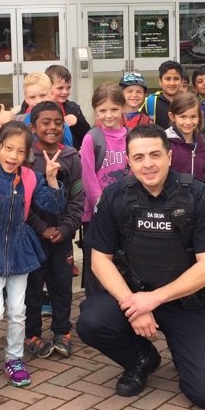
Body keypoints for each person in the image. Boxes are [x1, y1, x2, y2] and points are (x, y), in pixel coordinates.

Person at [76, 124, 205, 409]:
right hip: (135, 295)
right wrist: (133, 304)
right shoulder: (115, 197)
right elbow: (100, 260)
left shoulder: (197, 197)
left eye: (155, 155)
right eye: (138, 157)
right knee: (92, 321)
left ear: (169, 156)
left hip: (187, 304)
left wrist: (152, 300)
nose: (148, 164)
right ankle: (141, 358)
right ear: (128, 160)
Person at [0, 121, 65, 390]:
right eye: (8, 148)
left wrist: (52, 179)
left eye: (20, 151)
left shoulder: (30, 177)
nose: (13, 156)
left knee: (19, 311)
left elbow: (53, 205)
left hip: (19, 248)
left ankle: (14, 358)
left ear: (27, 153)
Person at [24, 102, 84, 359]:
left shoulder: (71, 156)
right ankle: (32, 334)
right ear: (33, 127)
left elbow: (78, 198)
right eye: (45, 123)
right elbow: (22, 202)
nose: (52, 127)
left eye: (57, 123)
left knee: (61, 286)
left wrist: (67, 227)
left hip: (62, 237)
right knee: (33, 288)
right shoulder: (25, 158)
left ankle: (62, 331)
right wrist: (42, 228)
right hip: (32, 238)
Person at [79, 84, 130, 295]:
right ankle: (93, 302)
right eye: (102, 110)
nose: (108, 115)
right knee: (96, 262)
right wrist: (101, 204)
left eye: (114, 109)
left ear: (123, 108)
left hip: (125, 211)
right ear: (95, 111)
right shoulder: (92, 138)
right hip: (97, 213)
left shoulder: (131, 136)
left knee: (123, 260)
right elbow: (88, 175)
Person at [166, 92, 205, 192]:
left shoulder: (202, 142)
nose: (188, 122)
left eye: (193, 116)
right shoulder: (164, 143)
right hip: (172, 203)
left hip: (199, 203)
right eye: (183, 117)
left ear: (200, 117)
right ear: (172, 116)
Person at [46, 64, 92, 151]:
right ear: (48, 87)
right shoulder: (39, 107)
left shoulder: (73, 108)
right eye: (60, 88)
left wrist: (78, 121)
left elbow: (87, 134)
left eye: (68, 88)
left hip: (70, 155)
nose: (65, 92)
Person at [144, 60, 187, 128]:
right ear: (160, 82)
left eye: (176, 79)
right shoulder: (150, 103)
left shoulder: (189, 103)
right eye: (167, 79)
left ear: (182, 82)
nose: (172, 83)